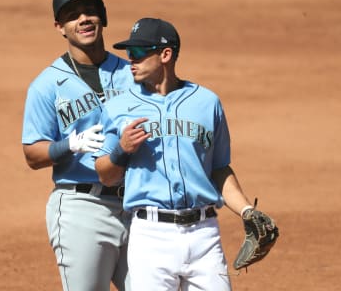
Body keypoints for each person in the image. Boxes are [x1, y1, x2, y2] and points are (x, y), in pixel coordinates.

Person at [93, 18, 256, 291]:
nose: (130, 60)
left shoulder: (207, 103)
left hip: (204, 235)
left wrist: (246, 210)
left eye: (138, 53)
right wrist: (122, 150)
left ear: (165, 54)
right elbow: (104, 174)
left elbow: (219, 169)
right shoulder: (118, 107)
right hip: (150, 237)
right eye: (128, 53)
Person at [21, 0, 134, 291]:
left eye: (90, 11)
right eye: (72, 15)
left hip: (138, 205)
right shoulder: (46, 85)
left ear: (103, 17)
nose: (83, 19)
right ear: (60, 27)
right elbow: (32, 154)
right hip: (83, 209)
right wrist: (67, 145)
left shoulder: (132, 74)